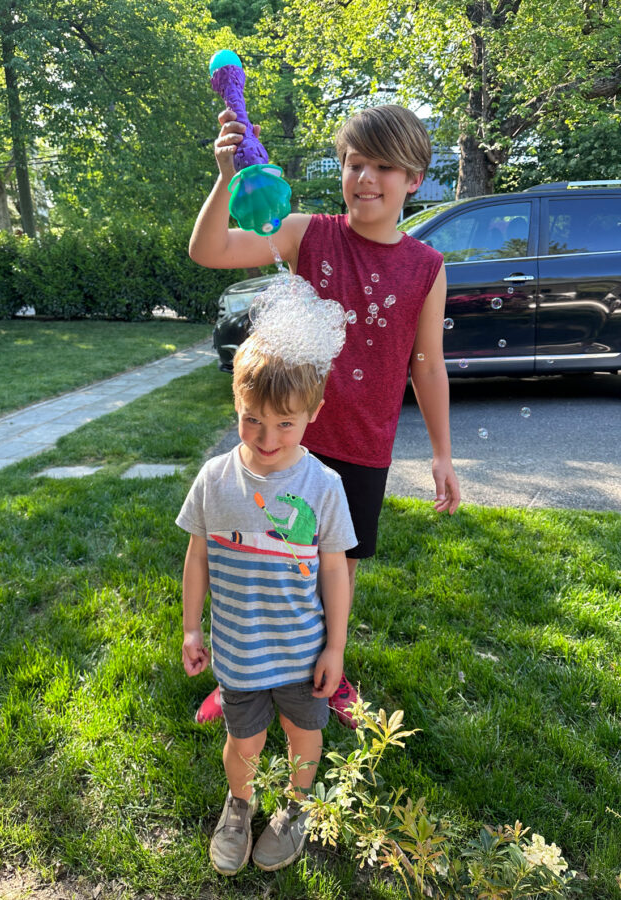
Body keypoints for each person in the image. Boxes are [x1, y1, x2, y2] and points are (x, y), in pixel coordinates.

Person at [189, 102, 461, 728]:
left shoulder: (427, 268)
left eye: (384, 167)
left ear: (414, 179)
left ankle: (327, 673)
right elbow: (209, 250)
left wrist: (442, 455)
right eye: (354, 163)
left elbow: (427, 364)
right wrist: (225, 178)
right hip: (282, 441)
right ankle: (241, 678)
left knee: (331, 572)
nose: (366, 177)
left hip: (364, 445)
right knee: (260, 565)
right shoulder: (306, 232)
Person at [177, 332, 356, 875]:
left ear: (314, 414)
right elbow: (197, 558)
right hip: (239, 652)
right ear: (237, 402)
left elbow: (334, 571)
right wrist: (190, 630)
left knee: (305, 735)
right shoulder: (215, 479)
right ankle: (239, 805)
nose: (267, 436)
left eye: (286, 422)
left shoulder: (324, 485)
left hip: (302, 652)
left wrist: (336, 647)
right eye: (253, 418)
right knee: (243, 740)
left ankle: (296, 809)